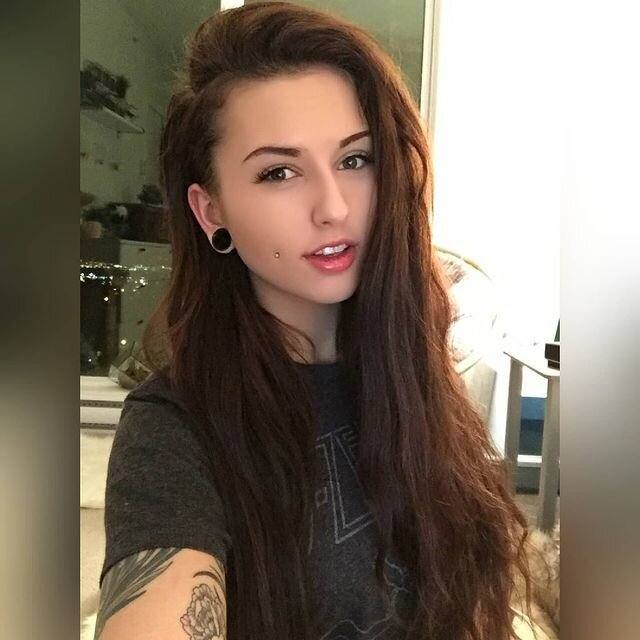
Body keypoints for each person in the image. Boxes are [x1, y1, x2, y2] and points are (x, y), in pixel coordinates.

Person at [95, 2, 533, 639]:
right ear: (211, 210)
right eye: (279, 172)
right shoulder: (174, 429)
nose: (333, 207)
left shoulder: (415, 373)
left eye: (355, 160)